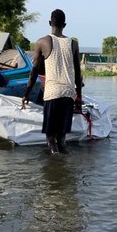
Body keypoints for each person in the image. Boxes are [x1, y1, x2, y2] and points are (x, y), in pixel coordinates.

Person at [22, 9, 82, 154]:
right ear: (65, 25)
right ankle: (64, 166)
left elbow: (34, 71)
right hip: (68, 93)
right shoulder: (73, 43)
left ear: (50, 23)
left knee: (50, 139)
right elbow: (78, 73)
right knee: (62, 139)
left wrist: (27, 94)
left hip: (53, 93)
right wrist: (79, 96)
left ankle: (54, 164)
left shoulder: (42, 42)